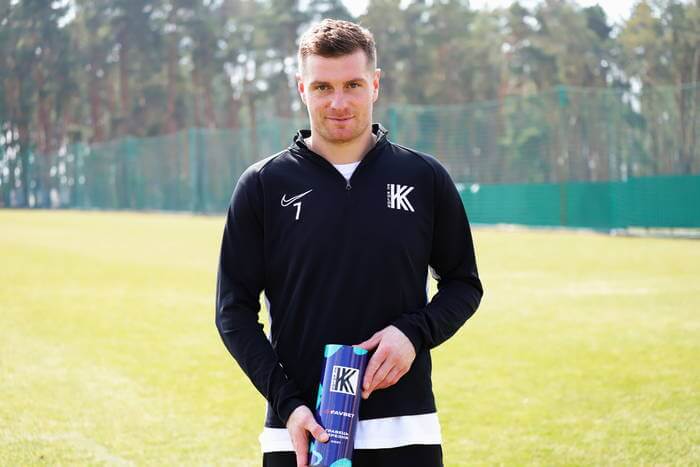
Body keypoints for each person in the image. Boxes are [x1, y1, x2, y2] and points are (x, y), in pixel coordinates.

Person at [215, 19, 483, 467]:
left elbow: (464, 284)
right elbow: (233, 311)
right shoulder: (262, 185)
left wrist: (413, 333)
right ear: (302, 89)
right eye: (322, 87)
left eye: (353, 85)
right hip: (302, 434)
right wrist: (288, 404)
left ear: (374, 84)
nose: (338, 102)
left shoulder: (424, 177)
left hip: (405, 430)